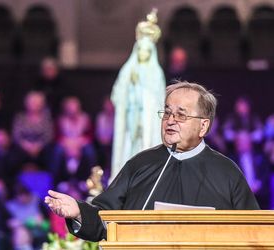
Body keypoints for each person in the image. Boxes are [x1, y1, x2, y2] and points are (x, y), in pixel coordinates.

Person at [45, 81, 260, 242]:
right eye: (166, 113)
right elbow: (105, 219)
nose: (170, 120)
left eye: (181, 115)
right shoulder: (141, 164)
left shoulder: (226, 172)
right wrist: (78, 212)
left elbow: (255, 231)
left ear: (203, 126)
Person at [110, 9, 166, 180]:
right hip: (131, 116)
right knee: (129, 145)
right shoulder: (128, 70)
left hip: (147, 118)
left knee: (145, 145)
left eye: (146, 51)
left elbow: (159, 99)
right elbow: (117, 95)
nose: (143, 53)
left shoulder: (156, 73)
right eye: (140, 49)